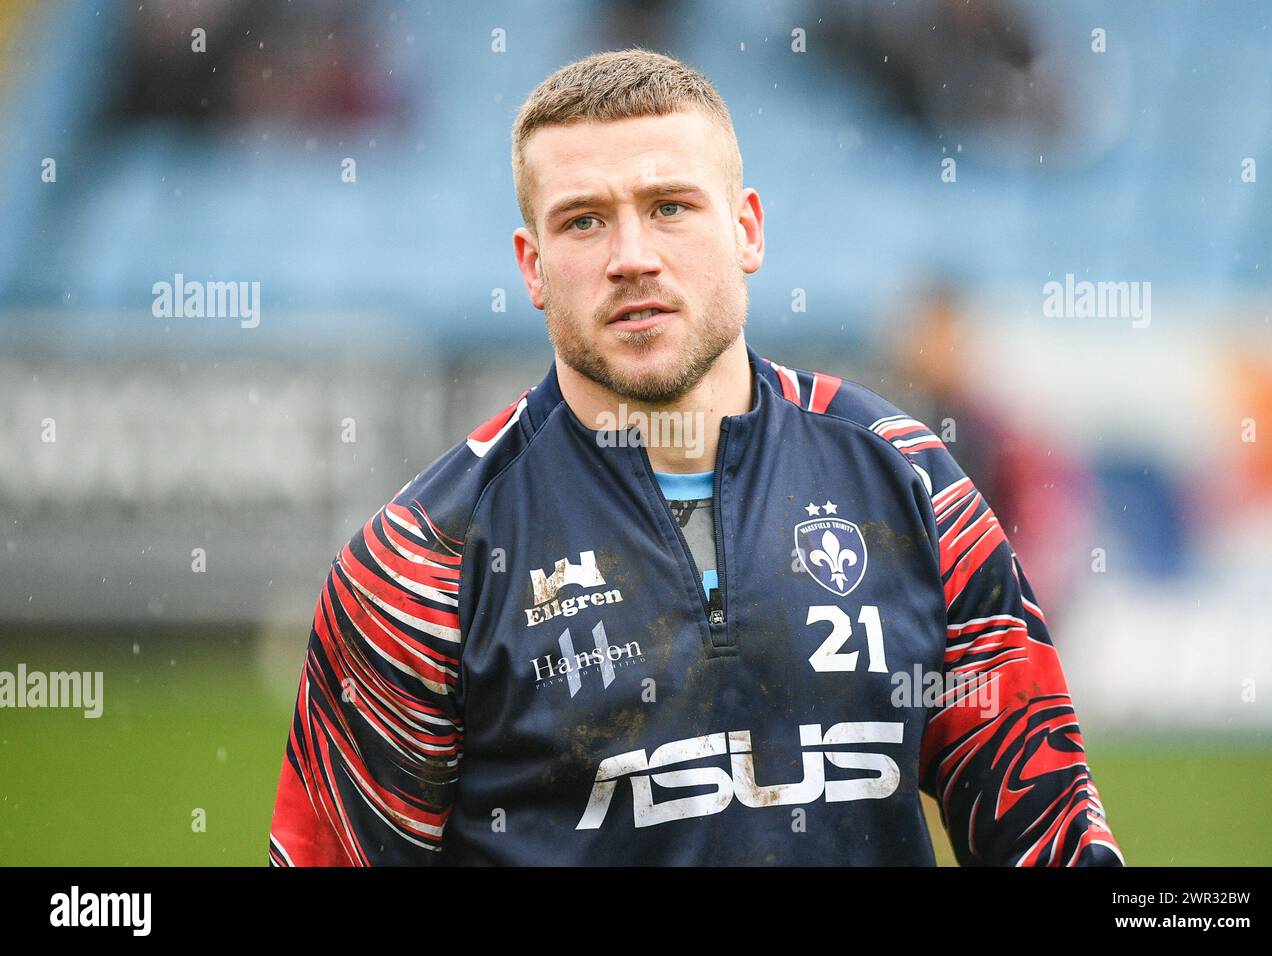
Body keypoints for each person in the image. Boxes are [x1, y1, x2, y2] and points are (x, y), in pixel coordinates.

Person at [267, 48, 1123, 866]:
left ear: (747, 230)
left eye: (670, 206)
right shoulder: (422, 565)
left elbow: (1048, 835)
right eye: (583, 221)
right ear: (531, 268)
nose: (632, 258)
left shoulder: (911, 485)